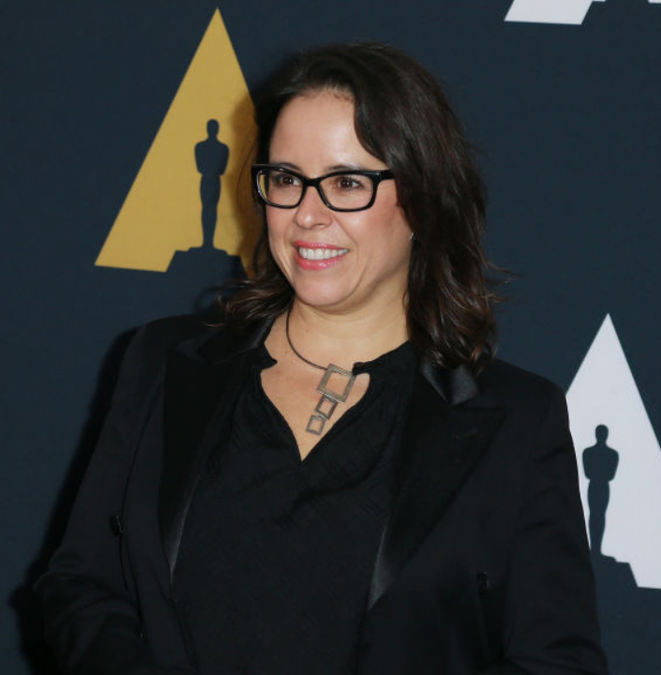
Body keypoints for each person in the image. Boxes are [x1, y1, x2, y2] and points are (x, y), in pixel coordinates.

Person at [36, 42, 607, 675]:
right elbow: (82, 585)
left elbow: (557, 662)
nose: (307, 215)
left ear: (421, 198)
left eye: (346, 182)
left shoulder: (517, 423)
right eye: (285, 179)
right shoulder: (164, 361)